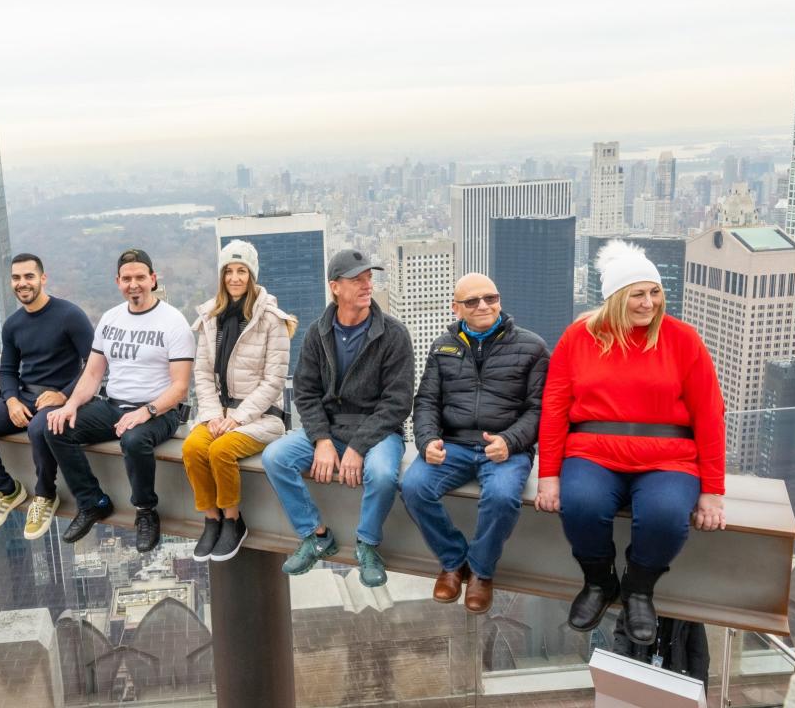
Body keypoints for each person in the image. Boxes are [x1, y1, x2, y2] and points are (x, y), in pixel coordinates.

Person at [535, 240, 726, 645]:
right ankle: (599, 582)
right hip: (593, 452)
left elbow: (710, 415)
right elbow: (554, 408)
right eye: (637, 294)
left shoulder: (682, 339)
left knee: (665, 514)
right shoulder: (578, 338)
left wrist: (712, 490)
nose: (649, 303)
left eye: (655, 292)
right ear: (615, 298)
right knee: (582, 505)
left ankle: (639, 587)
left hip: (668, 457)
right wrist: (549, 474)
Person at [261, 249, 414, 588]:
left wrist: (358, 447)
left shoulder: (393, 334)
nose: (366, 284)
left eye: (369, 278)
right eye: (357, 279)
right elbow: (306, 391)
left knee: (383, 474)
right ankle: (315, 534)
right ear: (335, 287)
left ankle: (368, 544)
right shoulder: (318, 332)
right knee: (275, 457)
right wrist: (323, 440)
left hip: (378, 431)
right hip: (330, 426)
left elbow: (398, 403)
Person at [401, 272, 548, 614]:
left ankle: (481, 571)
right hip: (453, 444)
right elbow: (426, 402)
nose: (483, 305)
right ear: (457, 309)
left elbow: (539, 409)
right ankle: (453, 561)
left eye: (490, 298)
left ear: (499, 300)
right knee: (413, 486)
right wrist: (426, 441)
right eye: (472, 301)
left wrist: (510, 442)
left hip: (504, 449)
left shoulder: (532, 347)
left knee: (501, 497)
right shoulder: (443, 346)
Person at [45, 249, 195, 552]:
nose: (134, 284)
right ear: (117, 282)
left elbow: (180, 387)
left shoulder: (174, 321)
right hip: (113, 405)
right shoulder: (110, 319)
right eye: (127, 278)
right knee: (56, 428)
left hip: (159, 410)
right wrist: (71, 404)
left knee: (133, 440)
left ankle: (145, 512)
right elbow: (92, 375)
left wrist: (147, 411)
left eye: (140, 277)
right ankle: (92, 502)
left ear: (153, 279)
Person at [0, 254, 94, 538]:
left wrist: (64, 395)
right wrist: (10, 400)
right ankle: (7, 491)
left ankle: (45, 495)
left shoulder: (69, 315)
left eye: (29, 277)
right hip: (23, 397)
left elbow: (94, 366)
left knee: (38, 429)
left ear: (42, 279)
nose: (22, 283)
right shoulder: (13, 325)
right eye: (16, 278)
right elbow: (7, 369)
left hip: (59, 400)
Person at [184, 240, 294, 562]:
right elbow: (202, 374)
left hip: (261, 417)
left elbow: (274, 381)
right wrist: (213, 415)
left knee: (220, 451)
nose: (234, 278)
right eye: (229, 271)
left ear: (252, 275)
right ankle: (211, 518)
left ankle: (233, 520)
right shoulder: (210, 318)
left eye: (241, 271)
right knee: (192, 448)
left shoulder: (271, 319)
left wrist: (238, 418)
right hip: (219, 412)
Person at [612, 613, 710, 685]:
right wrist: (621, 669)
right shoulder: (639, 596)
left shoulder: (687, 608)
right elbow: (623, 633)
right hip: (639, 675)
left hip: (674, 680)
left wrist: (697, 693)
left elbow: (699, 656)